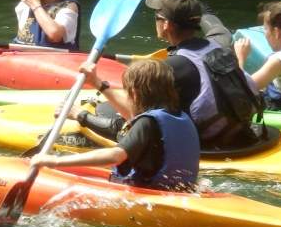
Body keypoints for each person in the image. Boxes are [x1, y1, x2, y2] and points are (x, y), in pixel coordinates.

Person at [89, 0, 260, 149]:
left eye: (157, 16)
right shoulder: (221, 41)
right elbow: (208, 13)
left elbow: (135, 117)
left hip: (204, 143)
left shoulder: (168, 69)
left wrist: (98, 84)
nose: (155, 19)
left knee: (105, 110)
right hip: (239, 131)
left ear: (166, 25)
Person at [31, 60, 200, 192]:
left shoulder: (147, 123)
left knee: (61, 168)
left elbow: (115, 156)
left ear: (134, 93)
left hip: (149, 194)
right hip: (180, 190)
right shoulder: (179, 116)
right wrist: (97, 83)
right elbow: (131, 117)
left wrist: (54, 161)